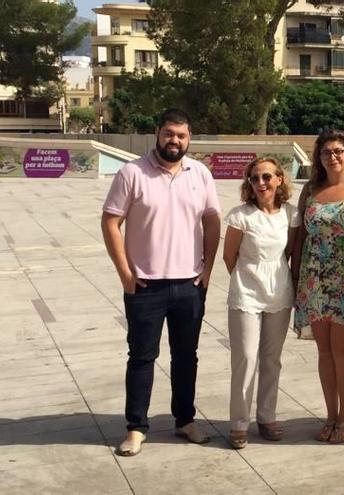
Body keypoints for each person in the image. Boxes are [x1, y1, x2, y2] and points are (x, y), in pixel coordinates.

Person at [101, 108, 220, 456]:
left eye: (182, 135)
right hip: (145, 286)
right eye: (169, 133)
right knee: (141, 357)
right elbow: (110, 222)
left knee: (187, 357)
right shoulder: (132, 173)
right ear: (157, 132)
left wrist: (208, 268)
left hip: (190, 285)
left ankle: (185, 420)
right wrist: (125, 273)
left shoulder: (200, 173)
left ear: (189, 138)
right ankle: (136, 427)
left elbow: (212, 221)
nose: (175, 141)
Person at [291, 129, 344, 444]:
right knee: (324, 352)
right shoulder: (311, 191)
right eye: (327, 151)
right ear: (319, 157)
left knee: (343, 352)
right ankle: (329, 414)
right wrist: (294, 279)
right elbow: (300, 237)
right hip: (314, 282)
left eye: (338, 150)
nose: (333, 156)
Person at [223, 157, 298, 449]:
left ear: (279, 179)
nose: (261, 183)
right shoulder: (241, 216)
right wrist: (248, 279)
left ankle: (267, 417)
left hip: (279, 295)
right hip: (246, 295)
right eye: (255, 178)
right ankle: (239, 422)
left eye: (267, 176)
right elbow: (230, 257)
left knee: (271, 360)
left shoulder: (290, 215)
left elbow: (289, 253)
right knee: (246, 359)